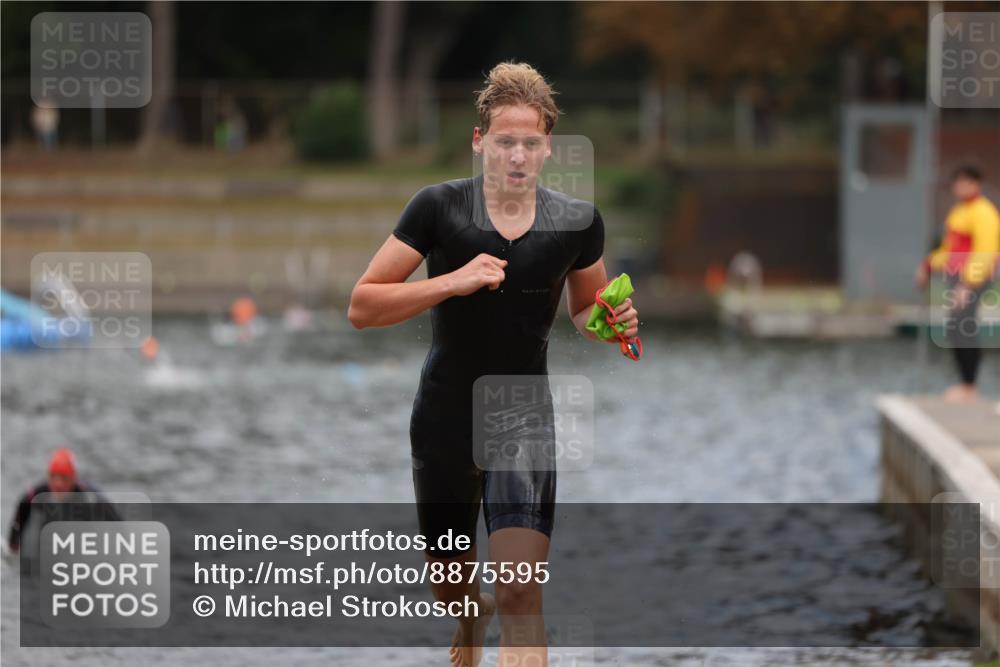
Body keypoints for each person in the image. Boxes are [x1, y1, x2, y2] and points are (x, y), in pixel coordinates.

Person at [348, 62, 639, 667]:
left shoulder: (577, 224)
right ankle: (467, 614)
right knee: (454, 586)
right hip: (445, 416)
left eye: (530, 143)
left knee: (520, 590)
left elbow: (587, 310)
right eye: (504, 141)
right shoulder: (437, 209)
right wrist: (452, 281)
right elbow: (363, 305)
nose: (517, 156)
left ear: (548, 146)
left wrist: (610, 326)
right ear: (480, 140)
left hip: (521, 415)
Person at [917, 165, 1000, 402]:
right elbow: (950, 250)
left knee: (962, 326)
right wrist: (928, 265)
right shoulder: (958, 212)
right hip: (958, 277)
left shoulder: (984, 213)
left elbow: (985, 252)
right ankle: (966, 385)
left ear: (977, 184)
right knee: (955, 327)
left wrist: (967, 285)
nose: (960, 187)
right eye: (958, 182)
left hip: (975, 277)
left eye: (966, 182)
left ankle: (970, 387)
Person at [6, 448, 120, 555]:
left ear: (73, 478)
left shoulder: (89, 496)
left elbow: (117, 524)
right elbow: (17, 523)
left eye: (64, 478)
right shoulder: (35, 495)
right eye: (53, 477)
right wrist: (14, 548)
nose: (58, 484)